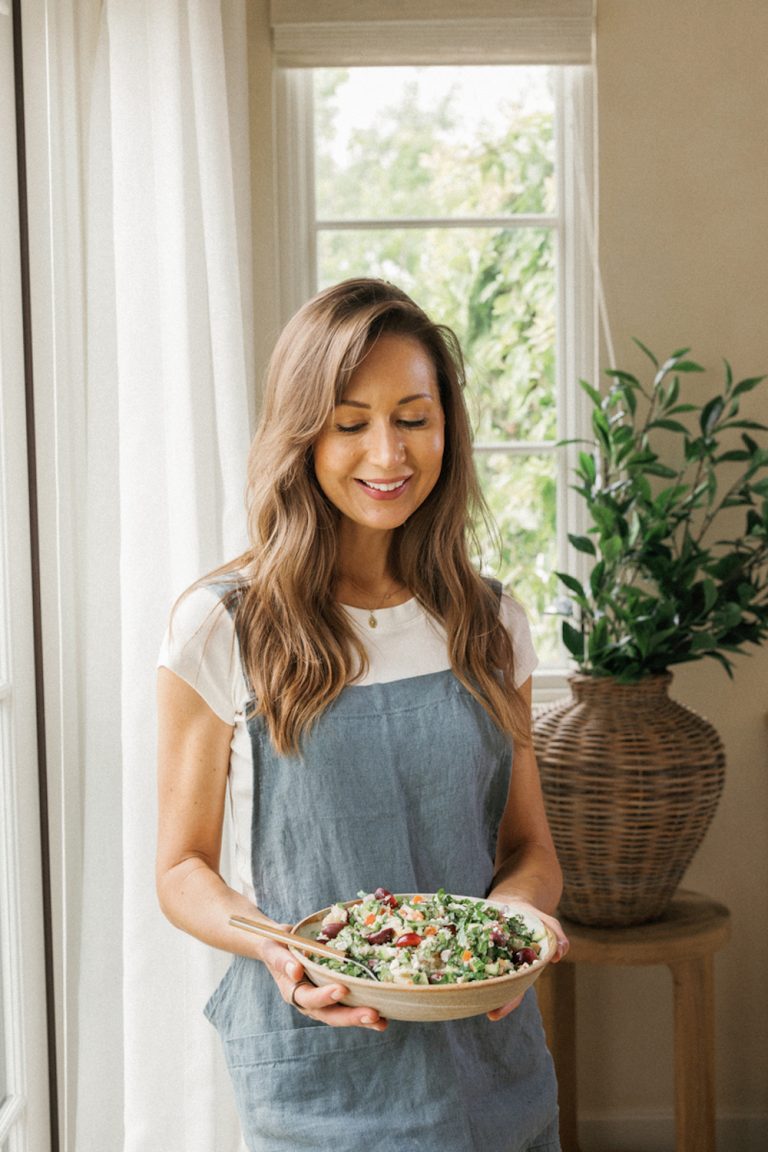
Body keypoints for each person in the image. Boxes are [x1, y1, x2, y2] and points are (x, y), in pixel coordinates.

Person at [156, 278, 569, 1151]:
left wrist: (523, 925)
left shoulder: (491, 624)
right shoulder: (225, 625)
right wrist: (277, 949)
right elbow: (182, 868)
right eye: (351, 423)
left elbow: (528, 851)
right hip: (319, 1072)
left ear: (446, 429)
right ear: (304, 434)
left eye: (413, 418)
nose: (388, 453)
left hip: (493, 1062)